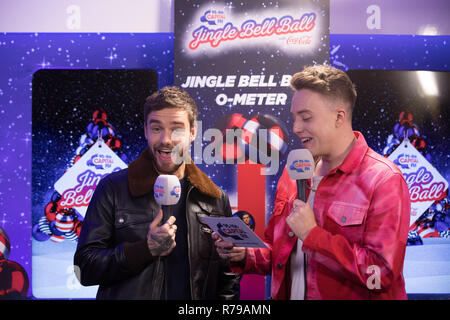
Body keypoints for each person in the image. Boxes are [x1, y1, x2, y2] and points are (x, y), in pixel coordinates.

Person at [214, 65, 411, 300]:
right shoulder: (293, 172)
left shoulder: (384, 179)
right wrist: (244, 254)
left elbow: (380, 274)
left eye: (306, 118)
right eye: (294, 118)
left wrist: (312, 235)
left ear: (340, 116)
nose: (296, 128)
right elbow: (280, 253)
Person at [74, 86, 240, 300]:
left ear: (192, 133)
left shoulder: (214, 198)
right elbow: (84, 268)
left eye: (177, 129)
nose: (166, 140)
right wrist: (145, 249)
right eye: (156, 128)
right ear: (145, 130)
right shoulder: (112, 189)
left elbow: (227, 279)